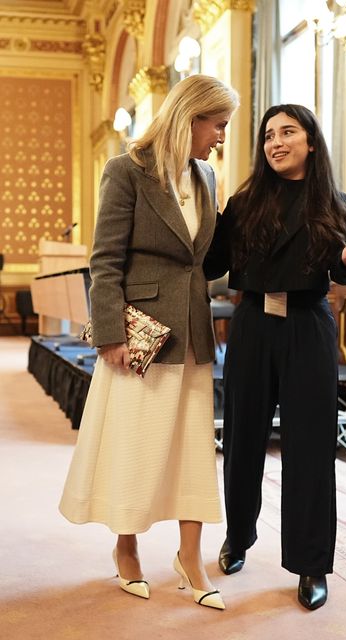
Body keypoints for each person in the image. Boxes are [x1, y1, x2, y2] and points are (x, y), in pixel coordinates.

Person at [59, 74, 239, 610]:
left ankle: (190, 557)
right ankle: (127, 549)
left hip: (194, 334)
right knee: (136, 447)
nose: (222, 137)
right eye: (219, 125)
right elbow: (105, 260)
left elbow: (208, 258)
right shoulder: (127, 171)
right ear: (191, 117)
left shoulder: (206, 175)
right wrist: (110, 334)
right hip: (141, 334)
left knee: (192, 448)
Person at [204, 104, 346, 610]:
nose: (275, 142)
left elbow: (345, 268)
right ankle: (238, 537)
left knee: (310, 448)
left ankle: (310, 564)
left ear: (309, 142)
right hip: (254, 323)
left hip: (308, 324)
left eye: (287, 132)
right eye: (267, 136)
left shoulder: (337, 204)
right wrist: (200, 215)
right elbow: (214, 261)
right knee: (242, 439)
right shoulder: (241, 202)